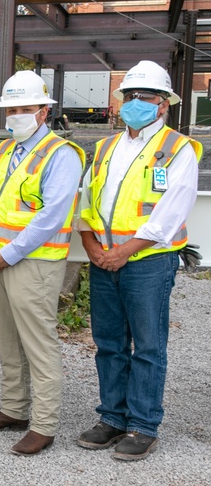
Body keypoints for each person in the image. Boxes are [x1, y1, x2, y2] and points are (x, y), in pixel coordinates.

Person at [76, 60, 202, 461]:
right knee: (108, 344)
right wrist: (92, 246)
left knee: (148, 346)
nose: (133, 103)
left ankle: (143, 426)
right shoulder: (107, 146)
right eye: (128, 95)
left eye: (143, 97)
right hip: (101, 258)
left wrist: (122, 252)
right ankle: (112, 418)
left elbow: (170, 211)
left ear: (162, 104)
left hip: (148, 262)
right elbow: (86, 198)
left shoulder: (177, 149)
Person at [0, 71, 85, 456]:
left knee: (39, 345)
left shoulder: (60, 154)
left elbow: (52, 215)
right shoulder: (4, 150)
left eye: (24, 108)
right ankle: (14, 410)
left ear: (43, 111)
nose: (16, 115)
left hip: (33, 263)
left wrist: (8, 253)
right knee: (6, 340)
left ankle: (44, 425)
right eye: (11, 109)